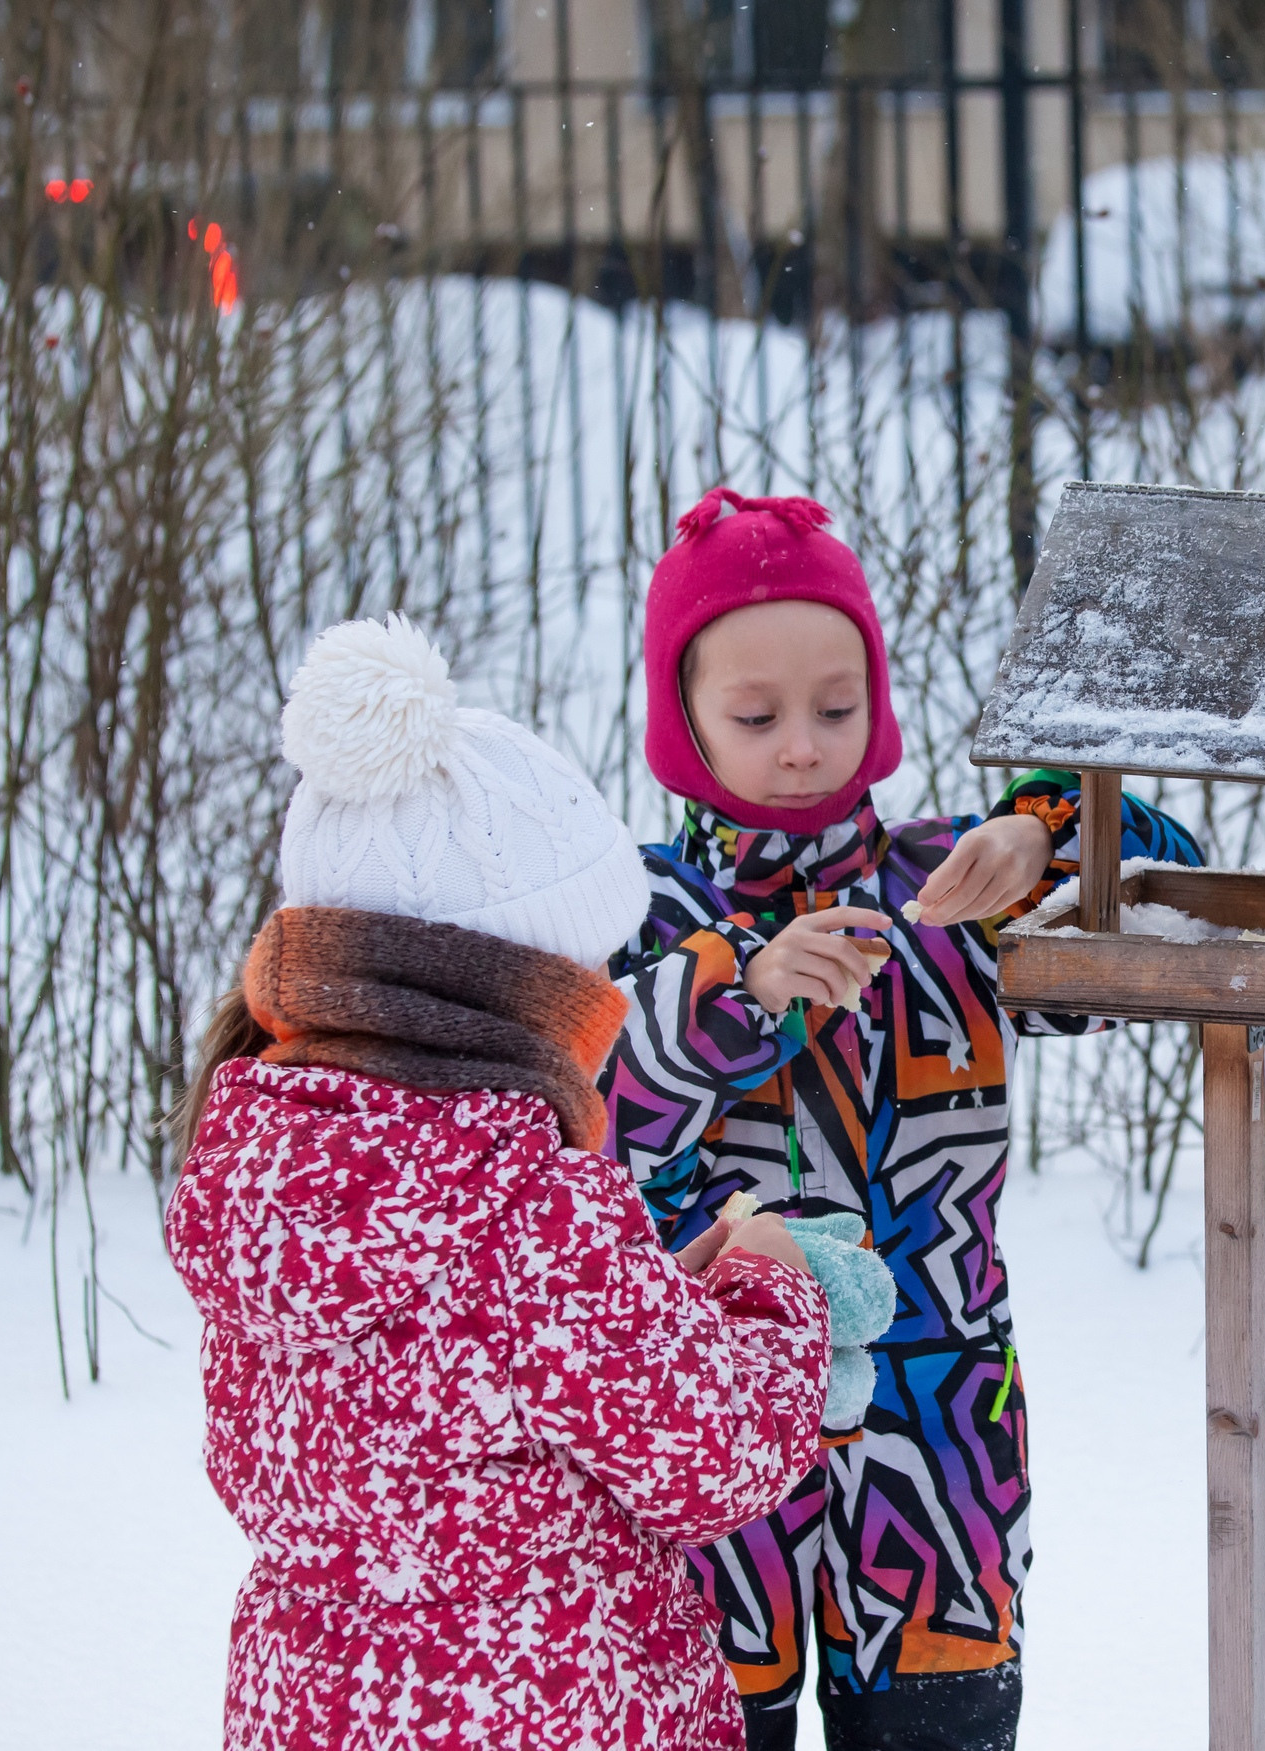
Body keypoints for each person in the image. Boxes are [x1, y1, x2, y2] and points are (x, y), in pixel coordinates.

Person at [602, 489, 1205, 1751]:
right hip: (707, 1433)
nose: (805, 746)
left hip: (941, 1433)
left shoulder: (946, 891)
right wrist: (742, 988)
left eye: (837, 706)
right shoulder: (632, 908)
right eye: (756, 716)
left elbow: (1164, 907)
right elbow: (595, 1131)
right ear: (682, 718)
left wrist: (1041, 828)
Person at [168, 615, 832, 1751]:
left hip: (310, 1705)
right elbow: (712, 1454)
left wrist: (657, 1291)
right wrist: (766, 1293)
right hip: (552, 1702)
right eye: (586, 970)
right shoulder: (528, 1197)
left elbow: (447, 1382)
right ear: (516, 985)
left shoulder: (256, 1157)